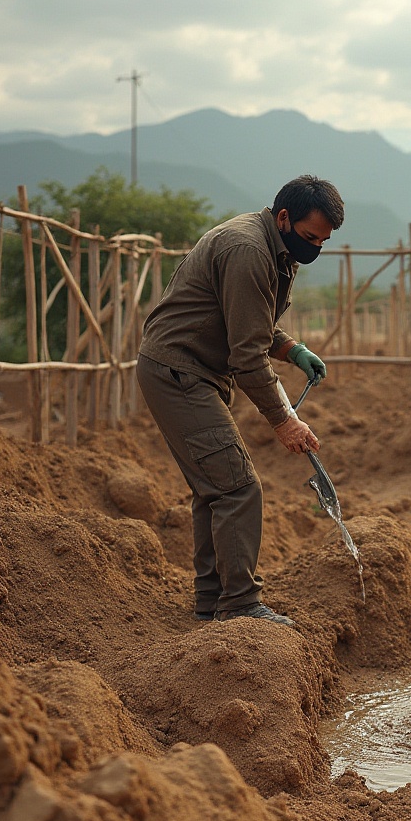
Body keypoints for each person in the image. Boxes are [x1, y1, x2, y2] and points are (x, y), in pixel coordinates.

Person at [136, 175, 345, 625]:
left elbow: (252, 322)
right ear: (284, 217)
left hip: (191, 370)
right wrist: (284, 421)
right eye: (310, 237)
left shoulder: (273, 248)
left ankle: (212, 601)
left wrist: (292, 350)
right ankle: (239, 604)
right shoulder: (248, 250)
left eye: (323, 243)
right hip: (179, 372)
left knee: (214, 489)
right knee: (237, 486)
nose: (315, 249)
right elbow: (246, 354)